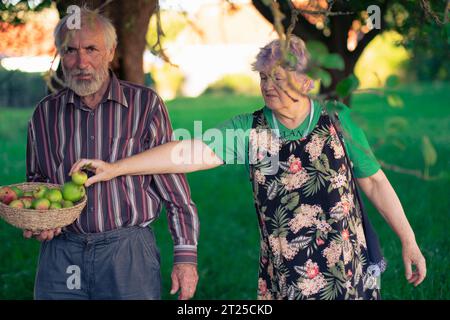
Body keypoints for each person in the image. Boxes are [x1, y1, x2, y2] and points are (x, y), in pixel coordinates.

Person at [70, 36, 426, 300]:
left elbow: (375, 182)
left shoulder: (338, 120)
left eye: (279, 77)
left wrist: (408, 240)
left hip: (346, 272)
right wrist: (116, 168)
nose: (268, 86)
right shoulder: (250, 129)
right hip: (287, 275)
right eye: (264, 77)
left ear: (305, 81)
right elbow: (188, 152)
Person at [24, 8, 199, 300]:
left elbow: (175, 189)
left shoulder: (145, 106)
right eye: (70, 50)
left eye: (91, 49)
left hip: (128, 253)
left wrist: (185, 258)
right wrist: (41, 220)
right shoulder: (45, 113)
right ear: (60, 55)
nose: (81, 62)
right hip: (61, 254)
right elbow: (37, 182)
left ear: (110, 52)